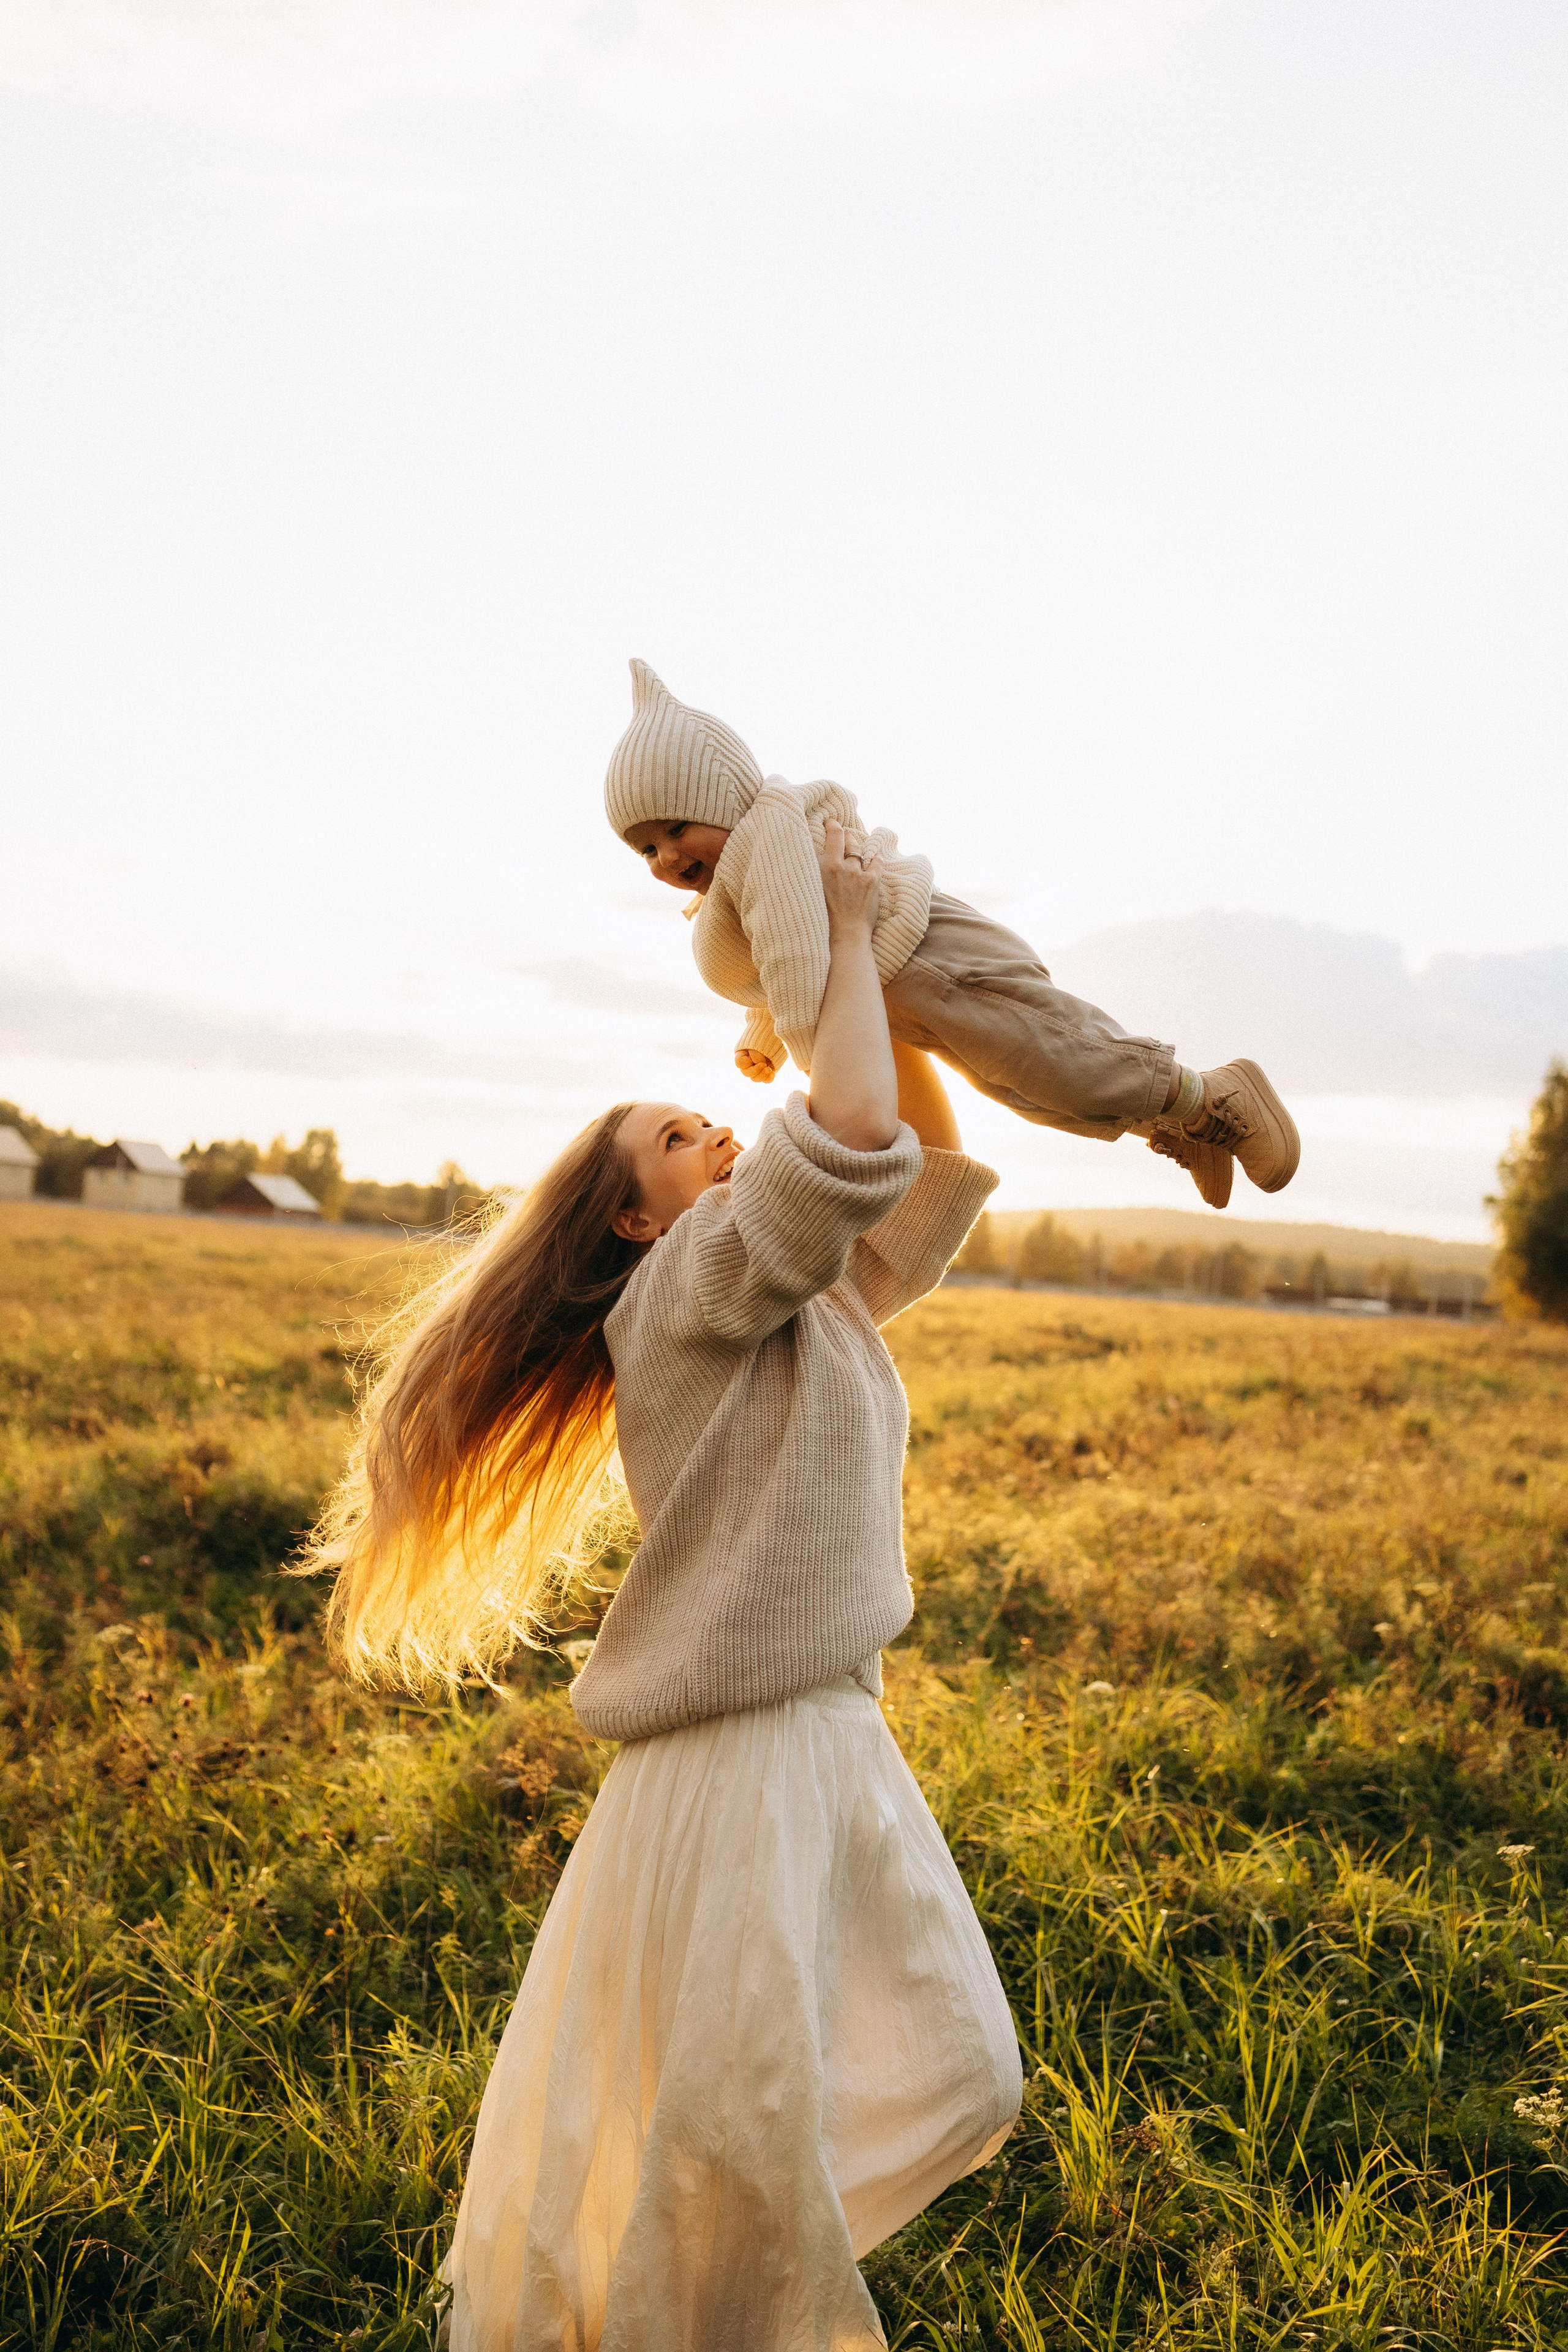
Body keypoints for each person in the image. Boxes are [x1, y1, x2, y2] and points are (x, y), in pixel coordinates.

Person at [304, 821, 1022, 2351]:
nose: (722, 1138)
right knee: (739, 2133)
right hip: (747, 1746)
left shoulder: (799, 1282)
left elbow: (926, 1152)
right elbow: (842, 1127)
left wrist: (879, 986)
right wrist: (821, 937)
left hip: (820, 1730)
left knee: (907, 2079)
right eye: (686, 1138)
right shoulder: (688, 1289)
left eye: (711, 1119)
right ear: (637, 1217)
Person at [605, 658, 1302, 1214]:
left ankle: (1212, 1096)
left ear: (722, 797)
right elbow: (784, 946)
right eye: (645, 850)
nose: (666, 857)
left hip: (935, 961)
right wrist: (763, 1034)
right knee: (1027, 1092)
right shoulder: (746, 876)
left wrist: (825, 1074)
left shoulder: (767, 839)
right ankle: (1176, 1123)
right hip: (912, 992)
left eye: (675, 827)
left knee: (1055, 1057)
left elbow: (795, 957)